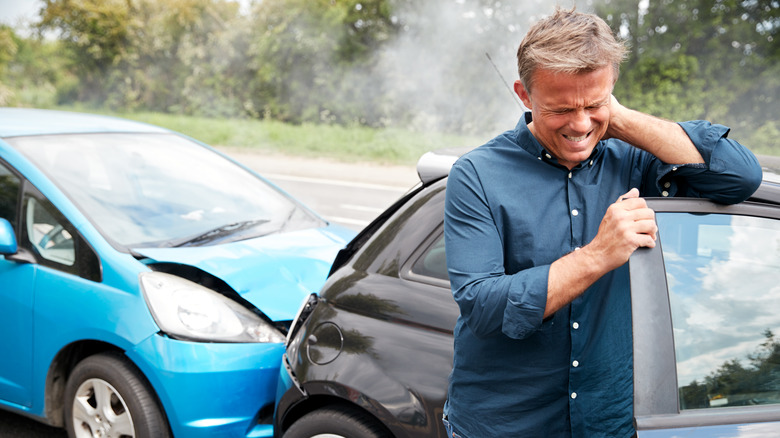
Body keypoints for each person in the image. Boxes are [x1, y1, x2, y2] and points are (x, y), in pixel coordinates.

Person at [442, 7, 762, 438]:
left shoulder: (636, 159)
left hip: (608, 424)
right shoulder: (477, 174)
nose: (579, 124)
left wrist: (618, 119)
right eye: (560, 109)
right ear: (524, 94)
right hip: (505, 424)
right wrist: (596, 256)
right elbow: (482, 306)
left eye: (593, 103)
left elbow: (740, 177)